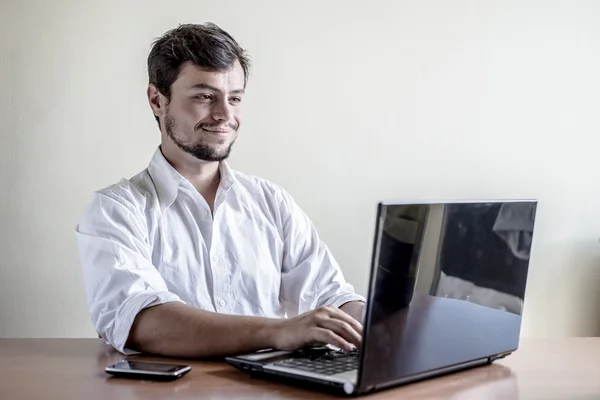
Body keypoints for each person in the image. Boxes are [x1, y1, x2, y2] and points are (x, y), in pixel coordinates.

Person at [76, 23, 365, 358]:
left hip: (271, 390)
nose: (225, 114)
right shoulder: (116, 210)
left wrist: (385, 326)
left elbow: (332, 297)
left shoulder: (272, 203)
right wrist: (281, 331)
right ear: (157, 100)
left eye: (235, 98)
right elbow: (140, 321)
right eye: (204, 96)